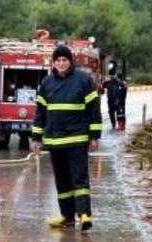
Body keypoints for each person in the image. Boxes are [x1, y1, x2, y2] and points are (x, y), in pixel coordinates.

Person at [31, 45, 102, 231]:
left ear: (70, 62)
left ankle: (85, 214)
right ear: (53, 63)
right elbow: (40, 113)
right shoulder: (46, 84)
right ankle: (67, 217)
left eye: (65, 60)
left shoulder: (84, 81)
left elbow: (94, 110)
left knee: (79, 179)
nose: (61, 64)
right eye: (58, 61)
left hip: (77, 140)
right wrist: (36, 137)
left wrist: (94, 136)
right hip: (55, 142)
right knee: (62, 181)